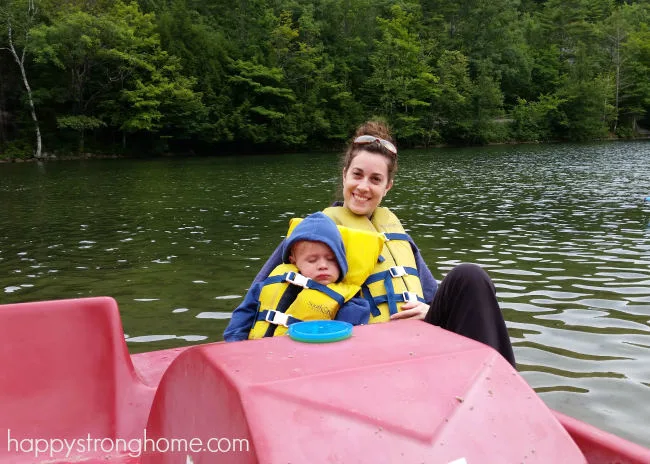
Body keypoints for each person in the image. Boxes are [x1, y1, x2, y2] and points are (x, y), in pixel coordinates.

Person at [229, 121, 516, 367]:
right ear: (344, 175)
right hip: (366, 347)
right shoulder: (315, 233)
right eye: (357, 175)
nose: (364, 187)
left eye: (375, 179)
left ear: (387, 186)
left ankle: (502, 388)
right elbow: (261, 294)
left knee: (470, 276)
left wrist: (429, 312)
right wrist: (237, 357)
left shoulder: (395, 233)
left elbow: (431, 294)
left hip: (419, 336)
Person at [224, 211, 384, 341]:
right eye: (312, 260)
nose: (323, 265)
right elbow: (242, 316)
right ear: (294, 261)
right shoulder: (265, 286)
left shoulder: (352, 303)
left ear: (342, 261)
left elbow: (346, 342)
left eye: (331, 259)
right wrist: (235, 344)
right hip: (256, 355)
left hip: (304, 365)